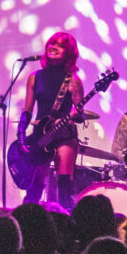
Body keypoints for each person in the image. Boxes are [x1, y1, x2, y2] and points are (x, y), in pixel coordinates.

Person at [18, 32, 85, 211]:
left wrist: (74, 115)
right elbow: (27, 110)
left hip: (64, 135)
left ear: (68, 53)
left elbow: (80, 115)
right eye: (52, 43)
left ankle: (66, 220)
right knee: (35, 184)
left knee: (64, 185)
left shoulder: (73, 81)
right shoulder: (35, 77)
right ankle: (26, 218)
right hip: (41, 135)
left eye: (60, 46)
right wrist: (21, 133)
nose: (53, 47)